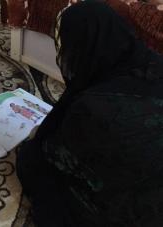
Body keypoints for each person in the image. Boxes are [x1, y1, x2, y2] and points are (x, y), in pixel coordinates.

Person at [16, 1, 163, 227]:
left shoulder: (93, 109)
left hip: (140, 208)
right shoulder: (151, 60)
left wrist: (39, 140)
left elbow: (57, 157)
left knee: (32, 164)